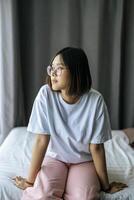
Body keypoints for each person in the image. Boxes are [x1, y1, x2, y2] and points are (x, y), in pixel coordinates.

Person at [13, 47, 127, 200]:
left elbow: (97, 147)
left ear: (76, 71)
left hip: (83, 161)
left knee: (85, 197)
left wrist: (106, 186)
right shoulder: (45, 94)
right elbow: (41, 140)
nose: (53, 73)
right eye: (51, 68)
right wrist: (30, 182)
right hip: (55, 158)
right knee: (43, 194)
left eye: (59, 68)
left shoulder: (95, 100)